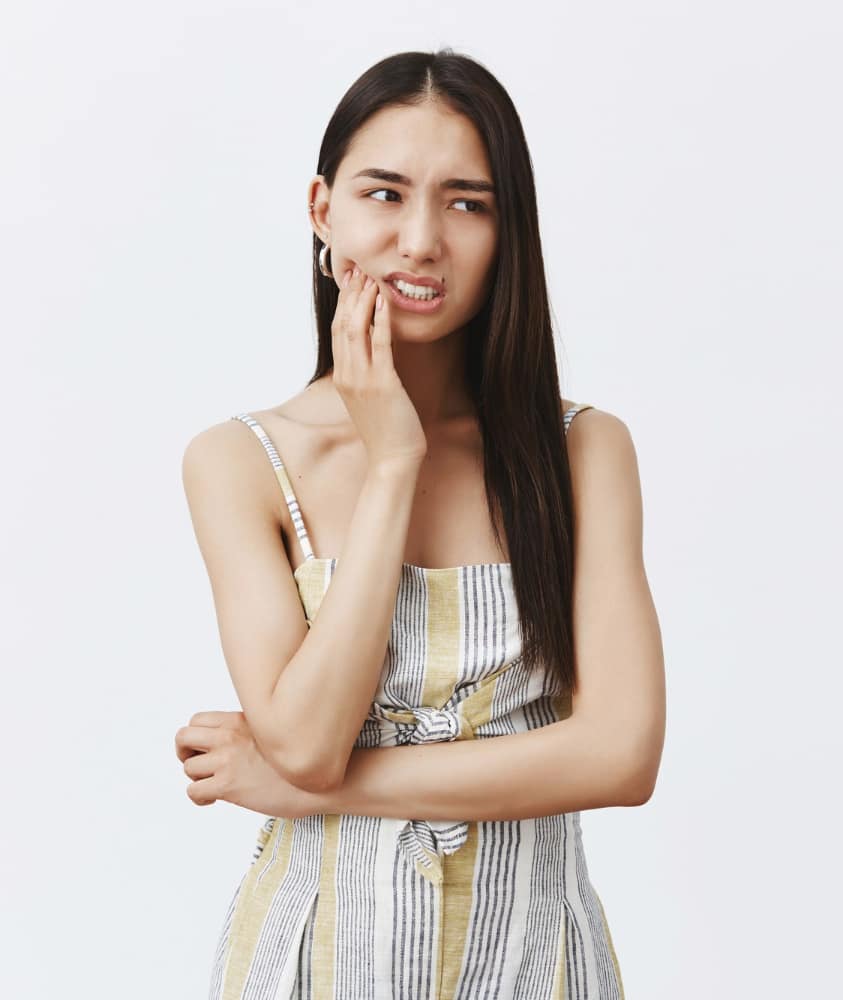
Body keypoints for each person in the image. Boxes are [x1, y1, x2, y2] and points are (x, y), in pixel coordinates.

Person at [173, 48, 664, 1000]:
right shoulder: (240, 462)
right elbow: (308, 742)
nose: (422, 240)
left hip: (535, 965)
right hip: (316, 964)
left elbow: (621, 754)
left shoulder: (583, 452)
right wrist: (393, 462)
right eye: (385, 194)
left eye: (467, 203)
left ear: (508, 230)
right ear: (323, 210)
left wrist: (312, 789)